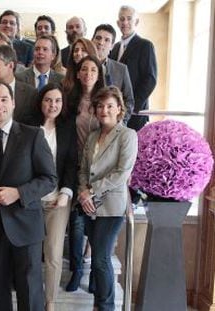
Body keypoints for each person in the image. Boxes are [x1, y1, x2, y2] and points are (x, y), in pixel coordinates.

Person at [0, 80, 57, 311]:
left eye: (4, 99)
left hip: (26, 225)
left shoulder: (32, 135)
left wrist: (19, 193)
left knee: (30, 289)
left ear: (13, 103)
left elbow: (49, 179)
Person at [78, 86, 137, 310]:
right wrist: (83, 191)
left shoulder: (127, 135)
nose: (104, 110)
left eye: (110, 106)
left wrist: (91, 191)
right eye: (100, 106)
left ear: (119, 109)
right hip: (88, 205)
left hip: (111, 206)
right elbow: (83, 168)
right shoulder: (93, 135)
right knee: (96, 261)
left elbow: (122, 173)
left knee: (101, 259)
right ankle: (98, 304)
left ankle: (106, 306)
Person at [31, 83, 78, 311]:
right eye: (48, 100)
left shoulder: (68, 128)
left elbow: (71, 165)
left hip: (58, 200)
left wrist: (66, 193)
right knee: (30, 253)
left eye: (57, 100)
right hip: (30, 201)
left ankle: (50, 302)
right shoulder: (29, 127)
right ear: (41, 102)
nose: (53, 105)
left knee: (53, 254)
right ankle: (31, 297)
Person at [64, 55, 104, 292]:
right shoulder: (72, 100)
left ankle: (95, 274)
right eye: (84, 70)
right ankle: (77, 269)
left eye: (93, 70)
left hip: (99, 170)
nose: (88, 73)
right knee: (76, 224)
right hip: (76, 166)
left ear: (98, 74)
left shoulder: (104, 100)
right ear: (78, 74)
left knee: (96, 222)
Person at [110, 5, 157, 131]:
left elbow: (150, 79)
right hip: (114, 113)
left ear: (136, 22)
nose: (125, 22)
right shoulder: (114, 48)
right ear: (118, 23)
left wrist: (130, 108)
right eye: (122, 19)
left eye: (129, 18)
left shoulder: (145, 45)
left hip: (135, 114)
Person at [92, 23, 134, 123]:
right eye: (98, 38)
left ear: (112, 46)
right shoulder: (82, 67)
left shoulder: (121, 69)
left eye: (107, 40)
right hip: (88, 125)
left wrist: (120, 122)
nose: (101, 43)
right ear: (92, 41)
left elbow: (129, 100)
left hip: (114, 126)